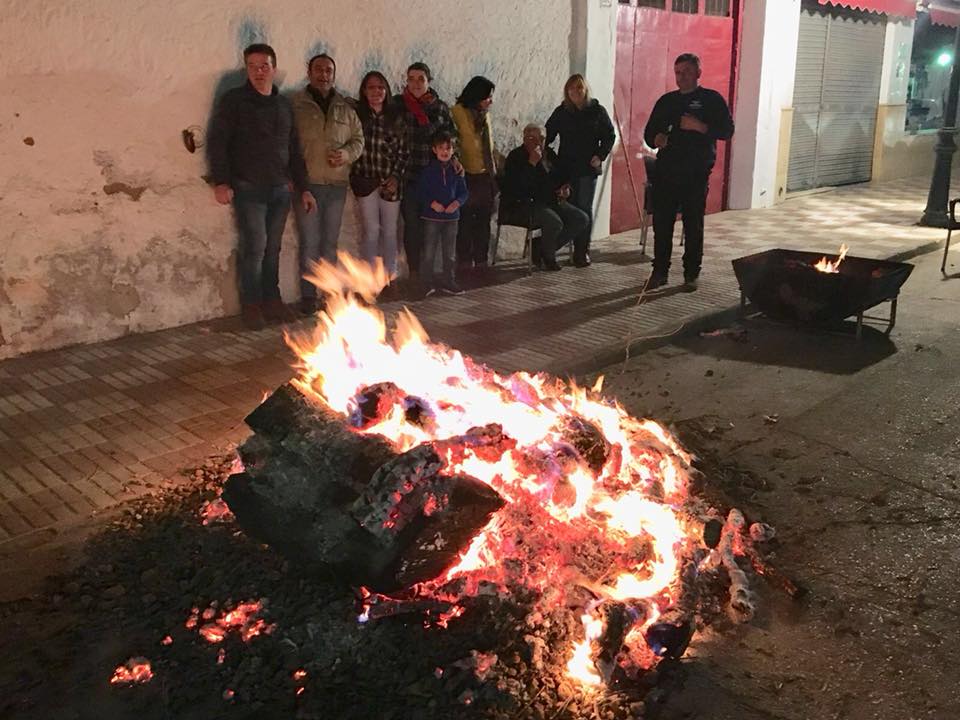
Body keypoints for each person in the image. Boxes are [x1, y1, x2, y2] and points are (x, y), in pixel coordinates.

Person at [207, 43, 317, 330]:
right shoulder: (234, 102)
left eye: (264, 66)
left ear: (274, 68)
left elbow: (293, 148)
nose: (259, 71)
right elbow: (218, 142)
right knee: (254, 248)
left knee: (273, 248)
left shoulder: (283, 105)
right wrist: (221, 181)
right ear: (246, 69)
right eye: (253, 66)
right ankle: (252, 305)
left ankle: (273, 301)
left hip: (281, 188)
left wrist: (303, 187)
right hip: (248, 187)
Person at [643, 52, 734, 291]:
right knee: (662, 224)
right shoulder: (666, 101)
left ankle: (691, 273)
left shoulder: (711, 99)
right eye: (677, 72)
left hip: (695, 173)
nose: (681, 77)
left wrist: (700, 126)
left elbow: (726, 130)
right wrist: (656, 138)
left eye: (686, 72)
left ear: (698, 73)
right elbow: (648, 133)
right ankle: (659, 271)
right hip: (666, 173)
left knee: (693, 225)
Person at [291, 53, 364, 314]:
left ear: (334, 75)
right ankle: (309, 297)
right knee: (309, 241)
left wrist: (346, 154)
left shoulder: (344, 106)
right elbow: (289, 145)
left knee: (330, 243)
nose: (324, 75)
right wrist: (295, 181)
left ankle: (329, 294)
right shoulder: (296, 104)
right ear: (309, 73)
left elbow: (358, 140)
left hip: (336, 185)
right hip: (308, 186)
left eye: (329, 71)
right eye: (319, 70)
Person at [395, 62, 458, 283]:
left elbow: (451, 137)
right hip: (410, 176)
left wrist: (454, 160)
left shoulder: (440, 108)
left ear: (429, 81)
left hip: (434, 179)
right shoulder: (399, 104)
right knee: (412, 226)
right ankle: (415, 273)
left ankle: (433, 273)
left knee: (433, 228)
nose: (415, 83)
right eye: (411, 78)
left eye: (420, 79)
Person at [545, 74, 615, 268]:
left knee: (584, 208)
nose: (575, 92)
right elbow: (547, 135)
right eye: (571, 89)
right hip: (566, 167)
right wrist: (549, 158)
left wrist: (600, 155)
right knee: (569, 208)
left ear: (585, 90)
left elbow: (609, 135)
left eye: (579, 88)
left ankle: (581, 251)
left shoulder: (597, 111)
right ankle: (556, 246)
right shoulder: (562, 112)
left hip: (587, 168)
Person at [500, 124, 588, 271]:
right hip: (522, 204)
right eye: (532, 138)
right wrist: (531, 164)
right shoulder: (516, 157)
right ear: (524, 138)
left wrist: (565, 189)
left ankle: (540, 246)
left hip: (550, 200)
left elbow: (562, 177)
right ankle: (548, 257)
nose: (537, 142)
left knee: (580, 218)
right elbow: (518, 188)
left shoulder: (549, 155)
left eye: (541, 138)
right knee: (554, 221)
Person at [351, 71, 409, 292]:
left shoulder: (396, 118)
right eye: (371, 88)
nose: (376, 92)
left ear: (386, 91)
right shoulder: (358, 116)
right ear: (364, 91)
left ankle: (388, 278)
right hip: (366, 179)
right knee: (371, 230)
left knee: (390, 230)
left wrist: (396, 176)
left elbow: (404, 152)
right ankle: (367, 278)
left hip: (389, 181)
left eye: (380, 88)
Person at [451, 76, 497, 273]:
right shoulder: (457, 113)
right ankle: (464, 261)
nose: (490, 101)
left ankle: (481, 260)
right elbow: (454, 141)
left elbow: (488, 146)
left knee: (484, 221)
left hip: (485, 175)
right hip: (466, 174)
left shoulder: (484, 115)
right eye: (487, 97)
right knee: (466, 221)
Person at [416, 131, 468, 297]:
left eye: (448, 148)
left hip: (452, 218)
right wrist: (432, 203)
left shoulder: (456, 170)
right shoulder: (428, 171)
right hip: (432, 217)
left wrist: (457, 203)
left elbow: (464, 192)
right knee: (429, 251)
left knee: (449, 252)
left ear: (453, 150)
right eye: (441, 148)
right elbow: (421, 191)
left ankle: (449, 280)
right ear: (434, 149)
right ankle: (426, 282)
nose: (445, 152)